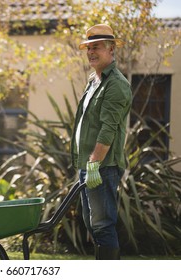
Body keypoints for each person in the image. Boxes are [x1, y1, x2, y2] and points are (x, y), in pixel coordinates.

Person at [70, 24, 132, 259]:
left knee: (102, 224)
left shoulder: (116, 84)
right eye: (88, 48)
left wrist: (95, 162)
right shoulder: (94, 80)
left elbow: (108, 129)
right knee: (91, 222)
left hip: (102, 167)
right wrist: (86, 163)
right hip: (88, 165)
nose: (91, 52)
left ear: (111, 49)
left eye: (96, 47)